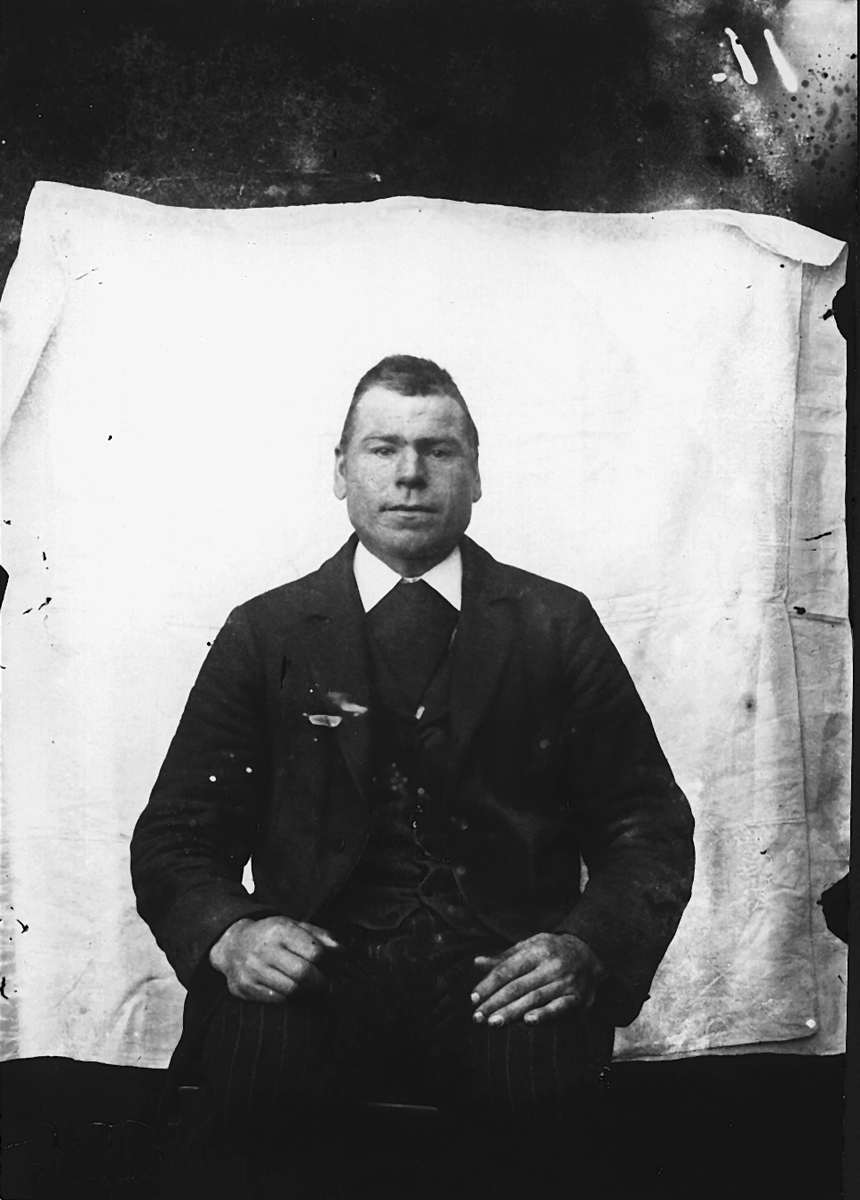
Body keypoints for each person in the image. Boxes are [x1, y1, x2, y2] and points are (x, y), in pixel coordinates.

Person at [131, 355, 695, 1199]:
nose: (409, 474)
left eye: (438, 450)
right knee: (251, 1079)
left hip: (497, 973)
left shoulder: (555, 624)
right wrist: (232, 934)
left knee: (540, 1097)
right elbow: (178, 836)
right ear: (340, 471)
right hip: (315, 971)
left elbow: (646, 828)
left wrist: (586, 947)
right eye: (383, 448)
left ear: (476, 474)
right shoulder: (266, 632)